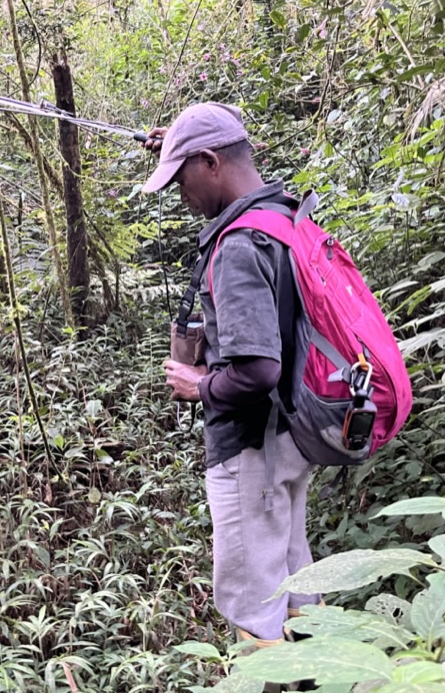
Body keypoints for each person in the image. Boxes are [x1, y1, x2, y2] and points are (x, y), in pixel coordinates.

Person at [142, 103, 319, 650]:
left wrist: (200, 385)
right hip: (292, 437)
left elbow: (257, 369)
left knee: (251, 603)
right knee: (296, 578)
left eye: (182, 178)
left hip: (251, 451)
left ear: (211, 162)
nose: (180, 194)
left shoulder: (238, 246)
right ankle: (319, 671)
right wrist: (176, 144)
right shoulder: (284, 215)